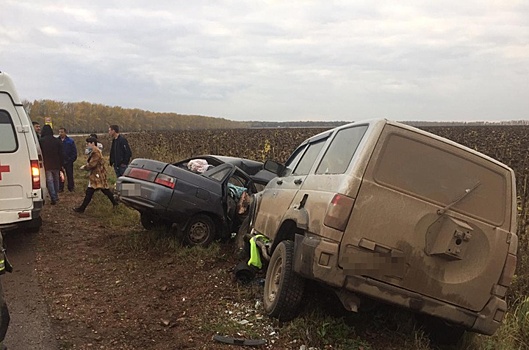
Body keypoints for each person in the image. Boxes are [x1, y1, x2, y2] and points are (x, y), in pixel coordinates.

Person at [73, 137, 118, 213]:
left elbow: (92, 164)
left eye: (88, 143)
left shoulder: (96, 152)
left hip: (97, 174)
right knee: (104, 190)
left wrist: (85, 167)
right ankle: (115, 203)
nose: (87, 145)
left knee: (91, 192)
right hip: (97, 174)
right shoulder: (95, 151)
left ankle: (82, 209)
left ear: (93, 143)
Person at [39, 125, 63, 205]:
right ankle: (56, 195)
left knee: (49, 180)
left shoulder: (41, 141)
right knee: (56, 180)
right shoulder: (57, 141)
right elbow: (61, 153)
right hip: (56, 163)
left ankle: (53, 196)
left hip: (46, 163)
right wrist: (61, 164)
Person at [58, 127, 77, 192]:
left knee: (70, 174)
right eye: (59, 132)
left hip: (69, 161)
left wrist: (71, 159)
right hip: (60, 161)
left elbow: (74, 152)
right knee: (60, 175)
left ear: (65, 132)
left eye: (62, 132)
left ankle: (71, 187)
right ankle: (60, 187)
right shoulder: (57, 140)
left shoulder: (70, 141)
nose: (60, 133)